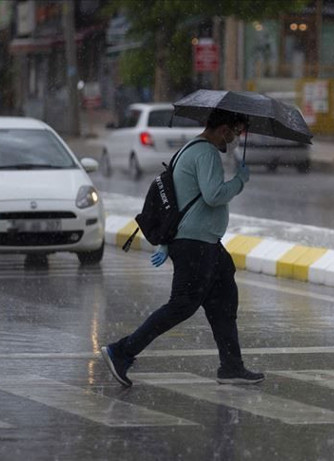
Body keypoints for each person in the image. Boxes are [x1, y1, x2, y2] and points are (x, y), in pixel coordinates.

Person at [101, 109, 261, 387]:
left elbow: (180, 198)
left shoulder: (190, 149)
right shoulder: (207, 153)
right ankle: (122, 351)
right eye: (236, 133)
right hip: (195, 245)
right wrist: (239, 181)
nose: (236, 139)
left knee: (224, 300)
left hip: (206, 243)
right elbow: (213, 196)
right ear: (224, 130)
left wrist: (166, 242)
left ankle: (232, 366)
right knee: (181, 306)